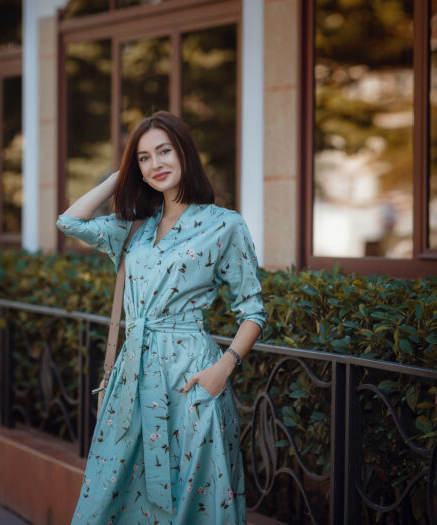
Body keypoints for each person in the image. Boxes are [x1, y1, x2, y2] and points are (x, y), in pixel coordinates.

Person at [57, 111, 267, 525]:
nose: (156, 164)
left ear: (185, 153)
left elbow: (253, 312)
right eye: (143, 158)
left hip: (191, 378)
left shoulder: (225, 225)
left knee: (194, 498)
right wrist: (121, 176)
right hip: (131, 380)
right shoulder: (134, 227)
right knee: (109, 497)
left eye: (165, 151)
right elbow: (69, 221)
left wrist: (222, 369)